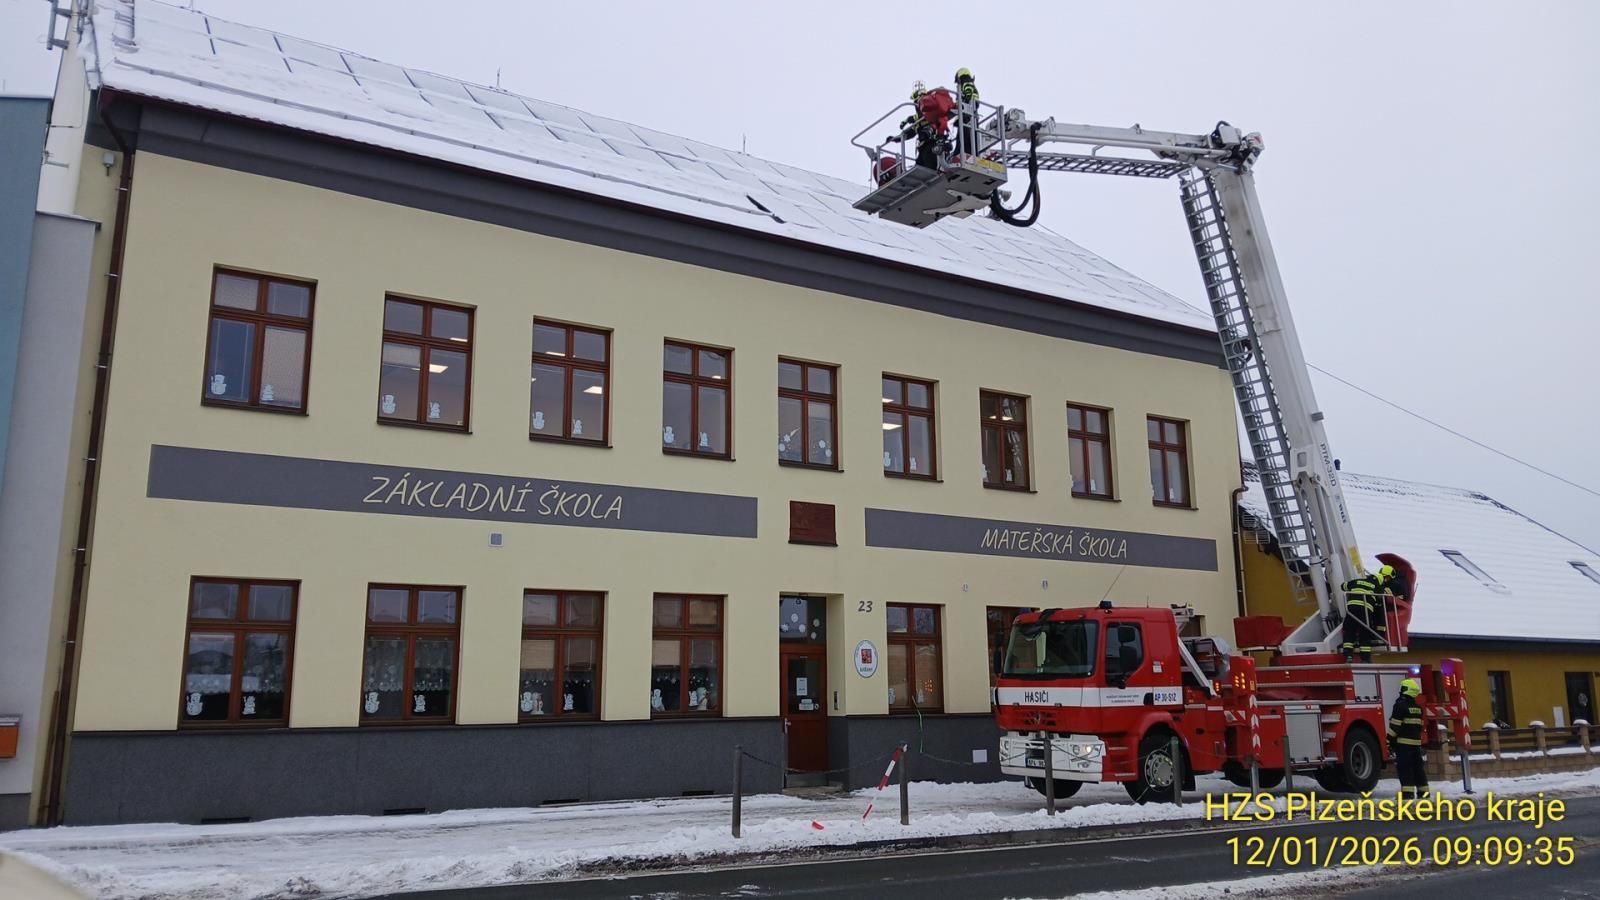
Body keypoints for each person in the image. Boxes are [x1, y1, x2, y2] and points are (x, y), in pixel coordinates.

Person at [1387, 677, 1429, 800]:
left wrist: (1388, 740)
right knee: (1418, 770)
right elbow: (1420, 726)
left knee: (1405, 770)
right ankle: (1424, 793)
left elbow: (1395, 727)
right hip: (1416, 745)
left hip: (1403, 745)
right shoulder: (1418, 708)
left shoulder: (1400, 706)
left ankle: (1408, 795)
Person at [1340, 567, 1391, 662]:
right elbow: (1383, 598)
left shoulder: (1356, 581)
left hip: (1351, 609)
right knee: (1365, 633)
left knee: (1349, 632)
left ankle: (1348, 656)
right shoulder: (1378, 586)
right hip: (1365, 610)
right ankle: (1365, 659)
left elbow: (1343, 586)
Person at [953, 67, 980, 156]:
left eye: (958, 81)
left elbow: (968, 96)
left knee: (964, 135)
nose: (958, 83)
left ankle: (959, 152)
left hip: (969, 113)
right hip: (970, 113)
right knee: (968, 135)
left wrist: (962, 103)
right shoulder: (968, 84)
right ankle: (969, 153)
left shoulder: (966, 83)